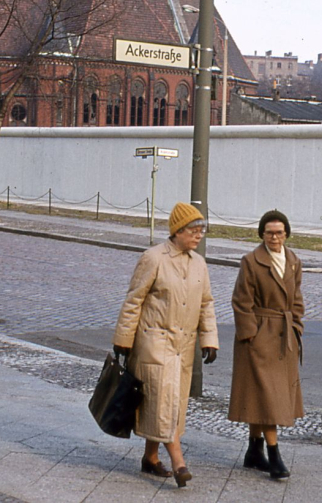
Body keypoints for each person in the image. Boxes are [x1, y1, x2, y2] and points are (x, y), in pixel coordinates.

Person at [112, 202, 219, 488]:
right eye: (194, 230)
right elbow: (134, 300)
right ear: (177, 231)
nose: (199, 236)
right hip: (154, 343)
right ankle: (179, 462)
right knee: (166, 405)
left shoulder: (199, 263)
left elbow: (206, 304)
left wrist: (209, 339)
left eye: (202, 231)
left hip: (184, 347)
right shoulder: (153, 258)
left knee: (166, 404)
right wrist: (123, 340)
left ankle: (150, 458)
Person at [228, 209, 305, 480]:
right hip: (260, 337)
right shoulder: (251, 261)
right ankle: (274, 454)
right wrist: (251, 336)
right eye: (270, 232)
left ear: (286, 234)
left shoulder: (294, 261)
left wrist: (296, 326)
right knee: (268, 397)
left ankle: (253, 450)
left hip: (284, 338)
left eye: (279, 232)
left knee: (261, 396)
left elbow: (296, 299)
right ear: (262, 233)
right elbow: (241, 301)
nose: (275, 237)